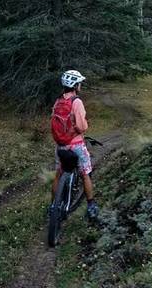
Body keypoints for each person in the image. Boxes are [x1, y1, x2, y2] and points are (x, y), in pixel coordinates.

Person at [51, 69, 99, 220]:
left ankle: (53, 206)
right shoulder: (76, 102)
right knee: (85, 174)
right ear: (75, 85)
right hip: (76, 145)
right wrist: (83, 126)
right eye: (80, 83)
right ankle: (91, 206)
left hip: (60, 146)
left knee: (58, 175)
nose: (80, 86)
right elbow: (81, 127)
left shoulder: (58, 101)